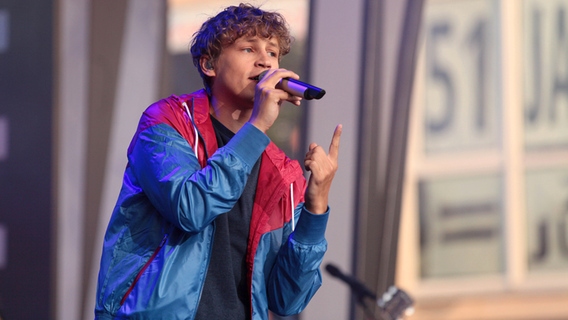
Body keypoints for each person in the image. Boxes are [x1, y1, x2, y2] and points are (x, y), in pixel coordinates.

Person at [94, 3, 342, 320]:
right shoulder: (167, 122)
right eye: (248, 48)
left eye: (272, 52)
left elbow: (287, 298)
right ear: (209, 64)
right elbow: (190, 208)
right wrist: (257, 127)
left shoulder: (282, 173)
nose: (265, 60)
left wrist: (316, 206)